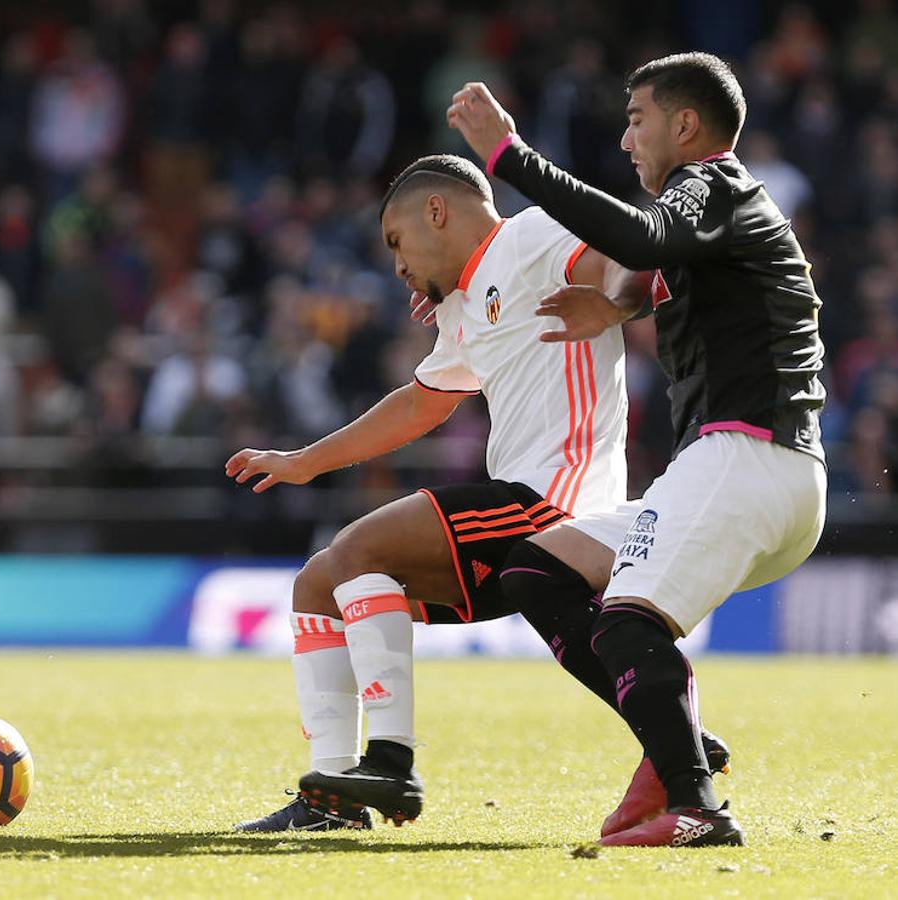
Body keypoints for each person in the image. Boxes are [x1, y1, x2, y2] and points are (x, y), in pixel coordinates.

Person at [226, 154, 730, 832]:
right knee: (319, 585)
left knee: (355, 550)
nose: (398, 266)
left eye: (397, 243)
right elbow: (421, 405)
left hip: (556, 503)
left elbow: (620, 259)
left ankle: (391, 763)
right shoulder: (464, 304)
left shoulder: (532, 237)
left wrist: (613, 302)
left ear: (437, 213)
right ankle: (333, 801)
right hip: (515, 510)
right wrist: (307, 462)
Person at [448, 52, 826, 846]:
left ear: (685, 126)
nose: (626, 139)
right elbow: (659, 268)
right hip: (750, 472)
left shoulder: (713, 183)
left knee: (625, 623)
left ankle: (697, 807)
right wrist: (618, 304)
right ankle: (673, 743)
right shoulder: (719, 215)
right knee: (534, 568)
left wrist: (507, 158)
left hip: (749, 459)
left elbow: (644, 237)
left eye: (636, 118)